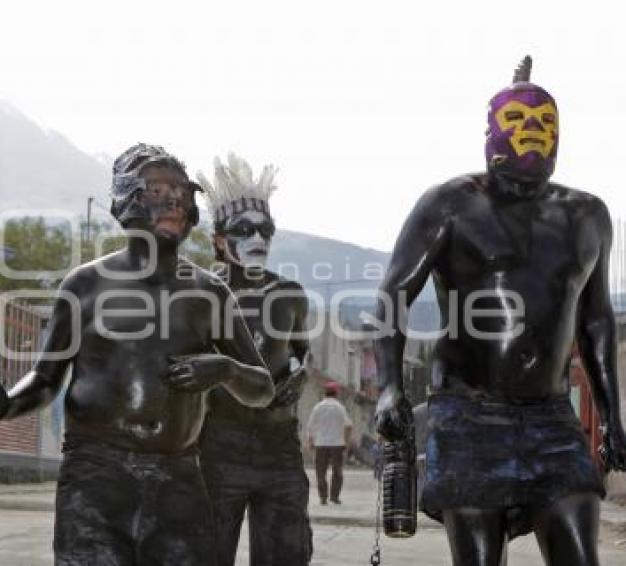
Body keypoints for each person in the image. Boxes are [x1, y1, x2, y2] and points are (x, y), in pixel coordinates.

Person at [0, 143, 274, 566]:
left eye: (182, 191)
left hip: (179, 477)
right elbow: (47, 379)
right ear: (127, 200)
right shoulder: (84, 286)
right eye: (158, 190)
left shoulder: (210, 294)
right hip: (97, 476)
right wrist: (7, 403)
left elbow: (262, 387)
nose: (174, 200)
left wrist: (225, 369)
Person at [374, 56, 626, 566]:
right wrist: (388, 386)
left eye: (545, 123)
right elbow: (393, 296)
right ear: (491, 129)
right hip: (469, 413)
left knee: (580, 553)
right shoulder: (449, 204)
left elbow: (596, 320)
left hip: (553, 416)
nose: (533, 131)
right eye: (518, 120)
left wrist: (614, 420)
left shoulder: (588, 214)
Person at [196, 154, 313, 566]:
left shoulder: (290, 295)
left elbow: (302, 352)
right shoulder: (199, 295)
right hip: (216, 443)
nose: (256, 238)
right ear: (219, 239)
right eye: (243, 230)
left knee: (286, 553)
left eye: (264, 229)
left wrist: (300, 374)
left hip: (279, 444)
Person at [306, 381, 353, 505]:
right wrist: (347, 443)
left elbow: (310, 426)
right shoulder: (340, 407)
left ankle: (323, 497)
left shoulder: (318, 407)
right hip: (337, 444)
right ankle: (334, 497)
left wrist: (310, 441)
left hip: (320, 444)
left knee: (320, 472)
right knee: (337, 471)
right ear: (336, 393)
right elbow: (348, 426)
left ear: (325, 393)